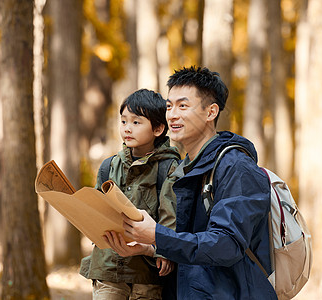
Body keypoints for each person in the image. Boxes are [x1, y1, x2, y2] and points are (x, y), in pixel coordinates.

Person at [105, 66, 277, 299]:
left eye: (183, 106)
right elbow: (189, 243)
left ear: (211, 112)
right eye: (169, 106)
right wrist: (149, 247)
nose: (172, 115)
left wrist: (157, 235)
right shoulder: (185, 168)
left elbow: (226, 245)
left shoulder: (236, 167)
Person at [80, 89, 181, 300]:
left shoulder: (168, 168)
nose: (127, 128)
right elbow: (97, 210)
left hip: (146, 274)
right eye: (124, 121)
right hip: (107, 269)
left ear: (158, 128)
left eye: (136, 122)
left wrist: (163, 251)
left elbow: (170, 215)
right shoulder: (109, 166)